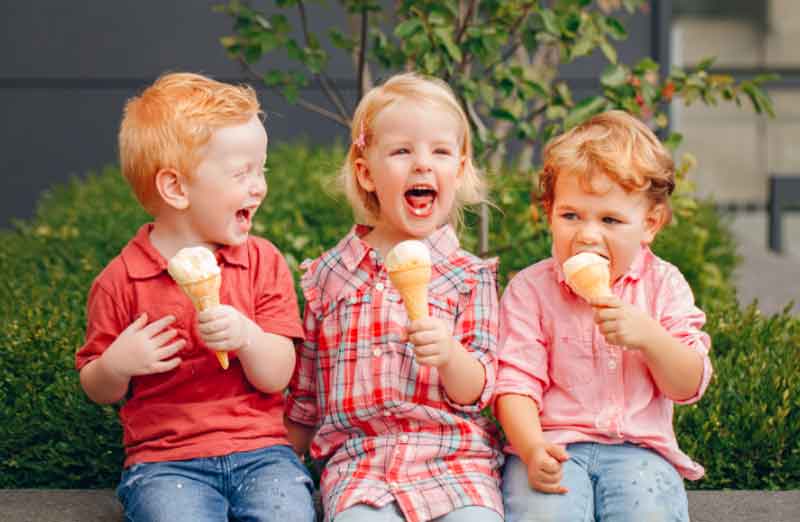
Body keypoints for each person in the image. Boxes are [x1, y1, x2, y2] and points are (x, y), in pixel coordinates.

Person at [75, 72, 315, 522]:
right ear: (177, 189)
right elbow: (96, 386)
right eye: (242, 172)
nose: (259, 185)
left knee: (288, 514)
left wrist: (247, 336)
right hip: (164, 464)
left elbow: (278, 374)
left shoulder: (262, 262)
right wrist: (116, 366)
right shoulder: (121, 279)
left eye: (262, 169)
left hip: (262, 454)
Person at [285, 72, 504, 522]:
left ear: (459, 170)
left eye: (440, 151)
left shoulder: (469, 276)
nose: (423, 165)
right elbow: (306, 396)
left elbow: (478, 390)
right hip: (360, 466)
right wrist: (281, 469)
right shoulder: (329, 276)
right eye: (402, 151)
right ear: (366, 172)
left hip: (455, 460)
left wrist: (449, 355)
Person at [495, 110, 713, 522]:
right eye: (571, 215)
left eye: (610, 219)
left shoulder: (663, 284)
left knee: (649, 513)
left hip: (640, 450)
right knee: (542, 514)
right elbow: (515, 382)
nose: (588, 234)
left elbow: (687, 384)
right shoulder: (530, 290)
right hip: (553, 443)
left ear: (649, 223)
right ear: (549, 212)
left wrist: (650, 337)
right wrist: (530, 446)